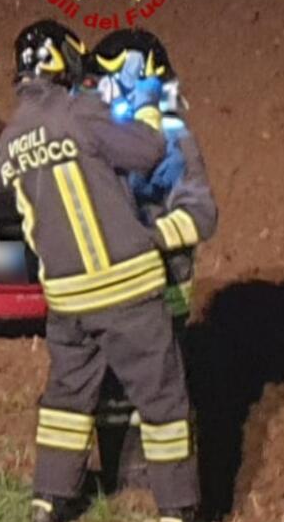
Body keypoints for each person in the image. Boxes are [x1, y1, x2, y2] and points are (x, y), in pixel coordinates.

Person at [0, 20, 201, 522]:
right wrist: (151, 105)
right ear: (62, 60)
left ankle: (48, 501)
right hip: (126, 289)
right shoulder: (77, 111)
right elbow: (148, 151)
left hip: (66, 299)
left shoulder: (11, 138)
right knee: (162, 398)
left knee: (67, 399)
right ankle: (177, 509)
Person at [88, 29, 219, 494]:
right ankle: (119, 480)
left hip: (161, 293)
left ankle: (160, 489)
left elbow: (199, 213)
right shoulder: (103, 140)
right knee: (108, 387)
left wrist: (145, 239)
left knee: (158, 394)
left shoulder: (174, 140)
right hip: (115, 290)